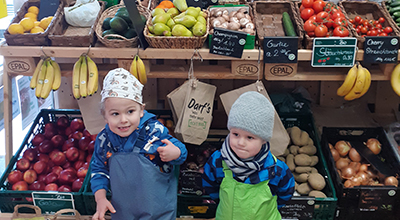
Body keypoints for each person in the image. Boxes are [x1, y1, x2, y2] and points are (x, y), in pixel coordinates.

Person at [90, 68, 188, 220]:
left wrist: (176, 153)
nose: (123, 120)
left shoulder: (154, 131)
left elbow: (181, 152)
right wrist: (100, 198)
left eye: (130, 111)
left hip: (159, 211)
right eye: (115, 114)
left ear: (141, 110)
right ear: (105, 116)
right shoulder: (104, 140)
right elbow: (99, 169)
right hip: (123, 212)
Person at [202, 91, 295, 220]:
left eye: (250, 137)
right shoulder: (218, 161)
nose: (240, 142)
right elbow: (210, 186)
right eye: (235, 134)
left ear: (263, 140)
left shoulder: (276, 169)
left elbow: (286, 193)